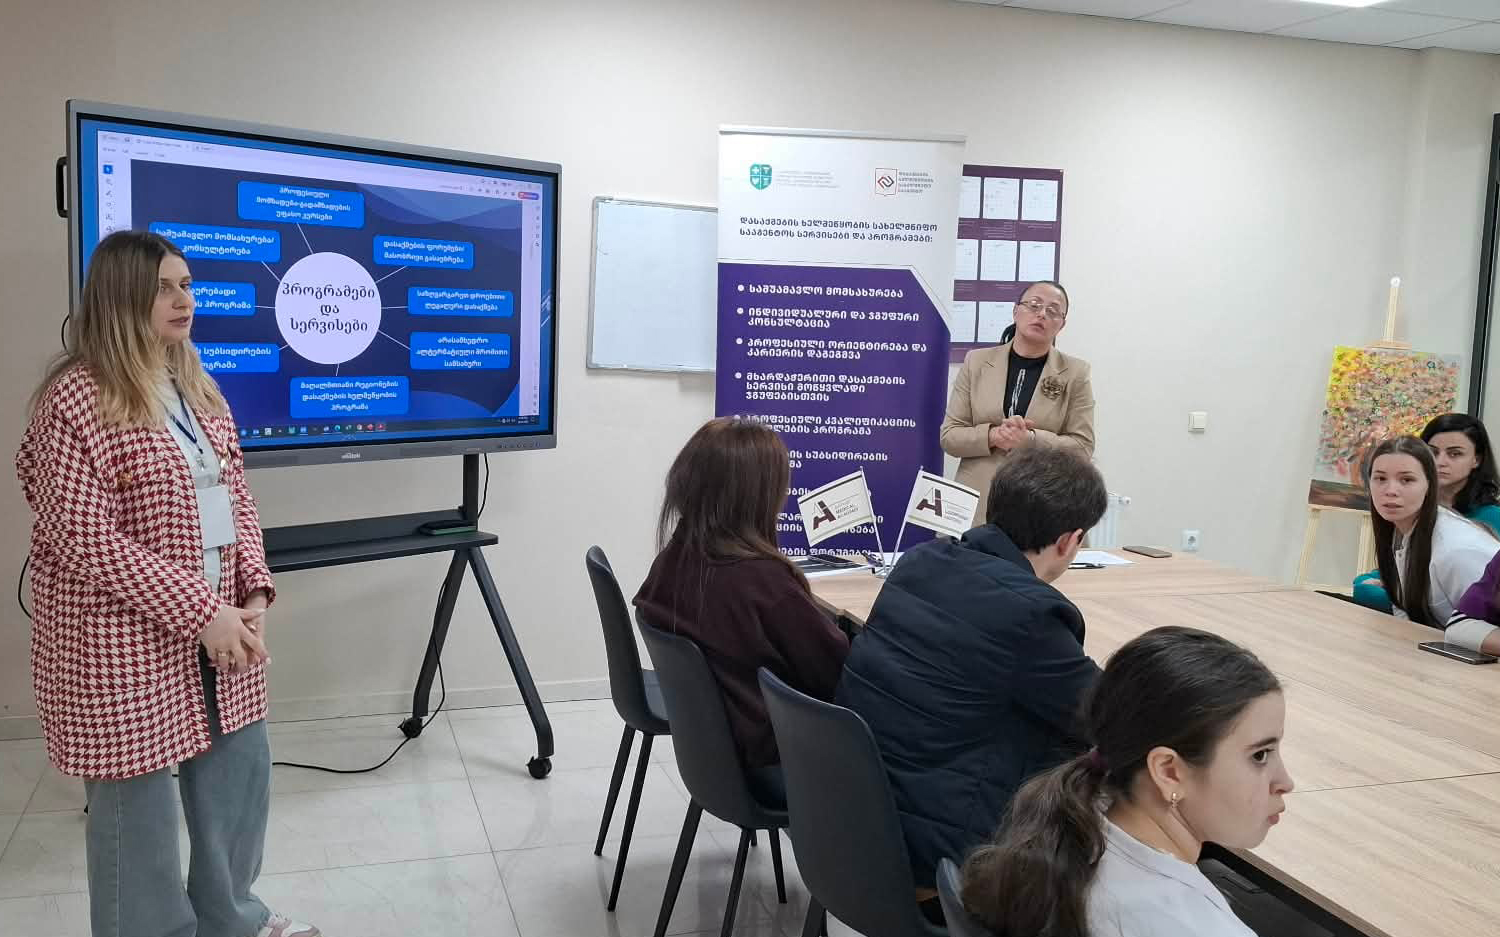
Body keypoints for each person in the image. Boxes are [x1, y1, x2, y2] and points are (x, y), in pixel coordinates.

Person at [16, 231, 318, 937]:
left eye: (186, 284)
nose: (184, 300)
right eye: (163, 287)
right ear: (121, 297)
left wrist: (252, 594)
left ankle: (232, 918)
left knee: (239, 775)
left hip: (222, 624)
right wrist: (202, 612)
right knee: (137, 810)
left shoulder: (197, 386)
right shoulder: (73, 401)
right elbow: (86, 539)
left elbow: (237, 498)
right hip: (119, 641)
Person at [835, 445, 1108, 901]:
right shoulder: (1032, 616)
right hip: (937, 855)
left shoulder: (920, 560)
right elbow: (1106, 717)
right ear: (1069, 541)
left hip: (850, 819)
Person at [960, 626, 1294, 937]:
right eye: (1260, 755)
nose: (1285, 782)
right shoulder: (1193, 926)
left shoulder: (1079, 821)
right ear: (1169, 772)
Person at [634, 417, 850, 806]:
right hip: (774, 756)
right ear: (757, 496)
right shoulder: (764, 584)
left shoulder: (673, 561)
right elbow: (839, 675)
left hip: (716, 755)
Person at [941, 279, 1096, 520]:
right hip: (977, 501)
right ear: (1016, 312)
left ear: (1061, 325)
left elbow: (1083, 447)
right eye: (1034, 305)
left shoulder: (1075, 372)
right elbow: (950, 436)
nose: (1042, 314)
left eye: (1053, 310)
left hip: (1043, 502)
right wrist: (993, 435)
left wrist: (1030, 440)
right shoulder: (976, 362)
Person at [1353, 413, 1500, 610]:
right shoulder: (1408, 518)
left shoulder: (1459, 543)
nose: (1440, 462)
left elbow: (1482, 613)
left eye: (1454, 454)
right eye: (1380, 478)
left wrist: (1394, 595)